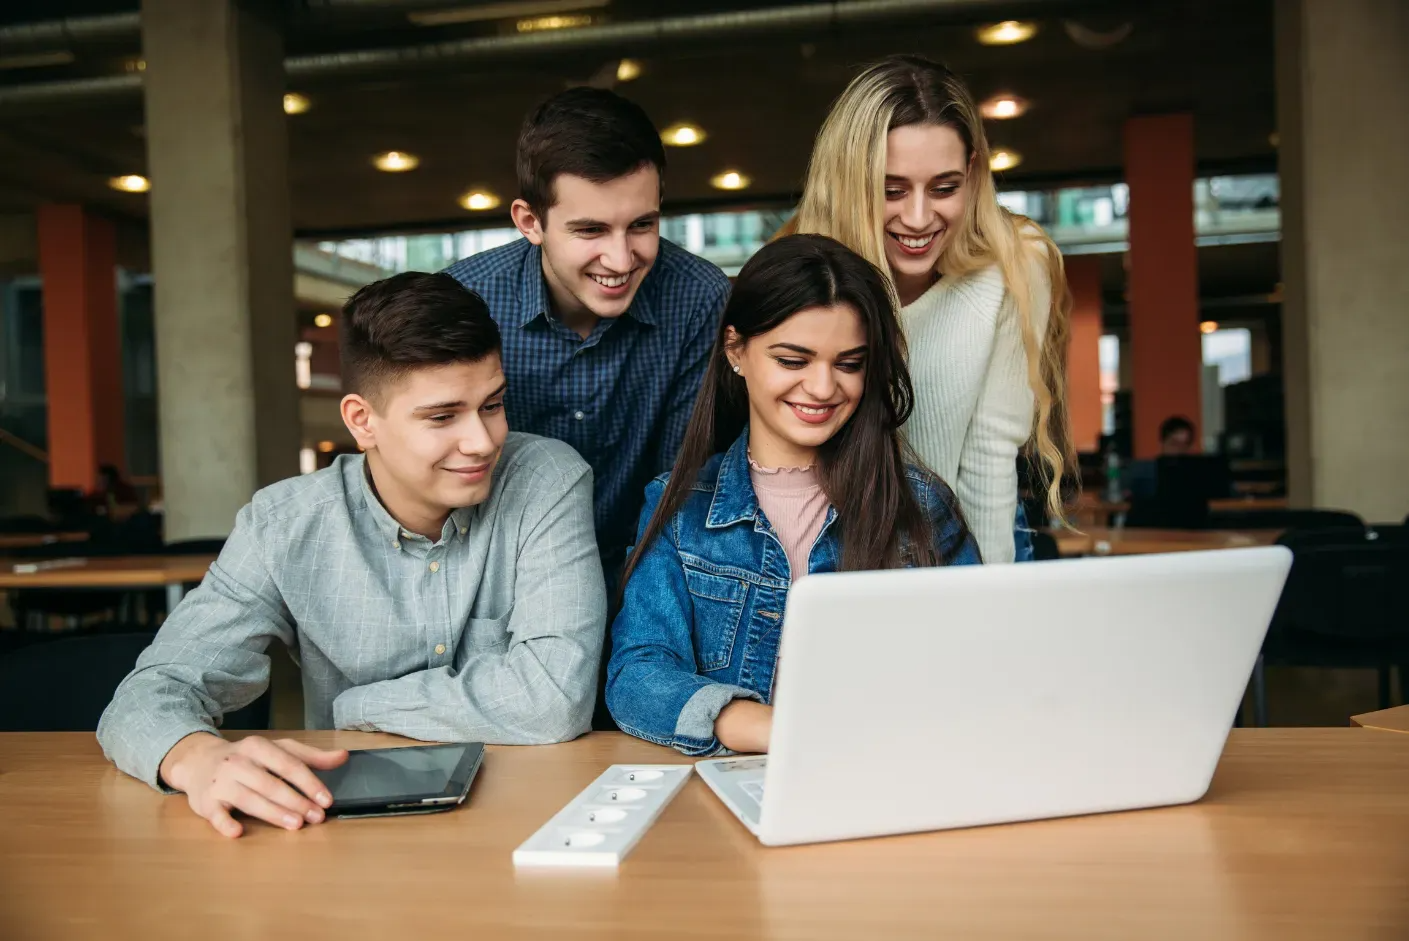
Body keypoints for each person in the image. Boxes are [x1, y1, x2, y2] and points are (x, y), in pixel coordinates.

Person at [98, 272, 606, 838]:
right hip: (345, 829)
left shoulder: (545, 479)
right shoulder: (283, 524)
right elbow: (149, 694)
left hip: (524, 813)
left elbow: (555, 698)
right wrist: (194, 757)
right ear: (362, 421)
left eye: (493, 404)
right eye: (442, 417)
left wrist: (358, 704)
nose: (483, 440)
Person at [605, 235, 980, 757]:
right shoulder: (679, 505)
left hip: (892, 774)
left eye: (848, 364)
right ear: (736, 350)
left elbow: (975, 670)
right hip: (738, 786)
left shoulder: (922, 508)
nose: (823, 388)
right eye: (793, 360)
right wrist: (771, 729)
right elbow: (636, 676)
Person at [784, 54, 1075, 564]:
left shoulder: (1014, 262)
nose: (918, 218)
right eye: (891, 190)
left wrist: (984, 608)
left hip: (972, 541)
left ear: (973, 173)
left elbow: (989, 461)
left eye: (945, 188)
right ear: (851, 182)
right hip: (838, 544)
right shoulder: (809, 267)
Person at [443, 87, 731, 584]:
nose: (621, 260)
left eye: (642, 225)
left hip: (646, 577)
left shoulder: (701, 298)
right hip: (492, 582)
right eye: (591, 230)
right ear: (530, 222)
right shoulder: (462, 300)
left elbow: (683, 486)